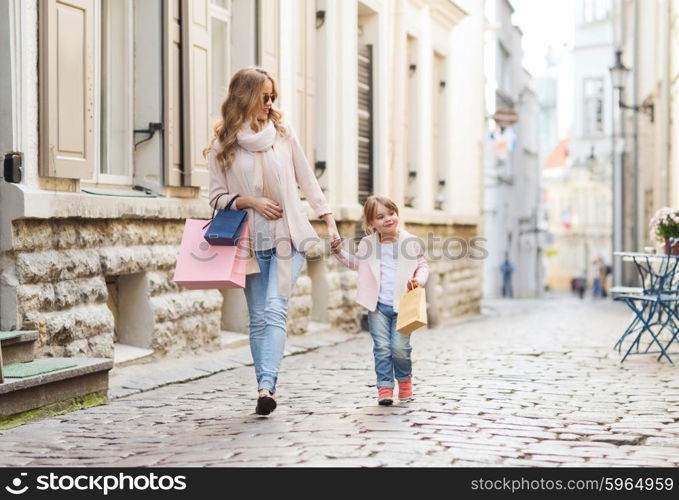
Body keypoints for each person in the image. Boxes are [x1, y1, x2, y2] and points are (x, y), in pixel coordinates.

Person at [205, 67, 340, 415]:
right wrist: (249, 201)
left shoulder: (282, 134)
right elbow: (216, 197)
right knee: (258, 319)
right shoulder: (224, 144)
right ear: (245, 97)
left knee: (275, 311)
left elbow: (307, 181)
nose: (269, 103)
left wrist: (329, 221)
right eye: (263, 97)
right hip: (249, 243)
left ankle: (267, 386)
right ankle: (264, 386)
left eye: (272, 97)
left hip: (287, 238)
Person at [331, 195, 429, 406]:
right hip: (377, 306)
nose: (387, 219)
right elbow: (357, 264)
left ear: (397, 214)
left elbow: (423, 265)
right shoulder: (368, 244)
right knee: (382, 347)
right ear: (370, 223)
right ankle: (384, 387)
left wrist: (418, 280)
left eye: (391, 213)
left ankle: (404, 381)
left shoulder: (409, 241)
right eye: (380, 216)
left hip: (404, 304)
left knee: (400, 348)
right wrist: (339, 253)